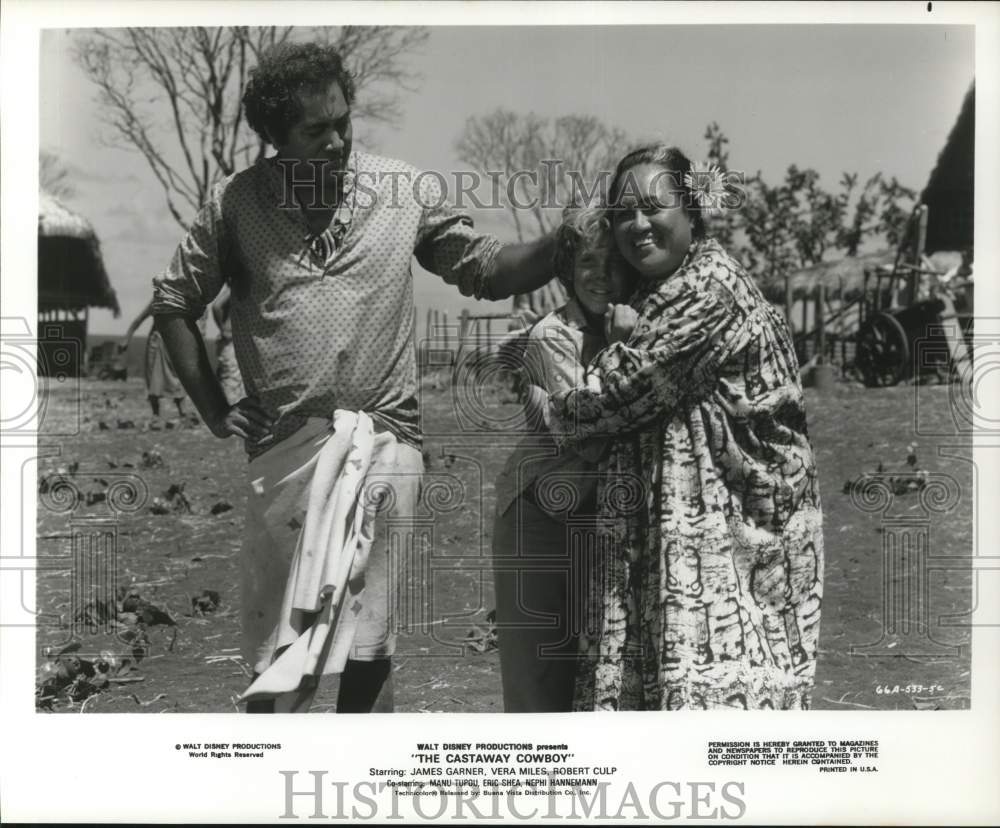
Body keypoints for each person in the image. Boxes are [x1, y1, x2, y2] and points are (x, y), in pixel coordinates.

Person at [150, 42, 557, 713]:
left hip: (386, 441)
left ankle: (364, 781)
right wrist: (217, 411)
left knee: (369, 640)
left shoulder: (401, 191)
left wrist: (556, 247)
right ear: (274, 137)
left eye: (345, 121)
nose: (339, 140)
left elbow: (482, 267)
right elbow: (173, 305)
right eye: (317, 130)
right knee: (283, 650)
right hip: (284, 454)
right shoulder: (236, 204)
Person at [545, 144, 824, 710]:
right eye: (623, 212)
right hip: (675, 521)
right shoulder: (655, 291)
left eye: (653, 207)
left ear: (692, 214)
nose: (637, 225)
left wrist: (602, 359)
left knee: (712, 697)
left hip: (726, 526)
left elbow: (603, 402)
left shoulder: (707, 290)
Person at [492, 207, 631, 712]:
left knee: (588, 678)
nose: (600, 274)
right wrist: (621, 351)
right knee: (539, 682)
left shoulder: (635, 327)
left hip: (595, 519)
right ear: (568, 270)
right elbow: (587, 427)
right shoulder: (554, 336)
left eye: (614, 261)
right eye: (587, 260)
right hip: (539, 518)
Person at [119, 298, 192, 426]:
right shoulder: (158, 300)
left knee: (177, 378)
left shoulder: (181, 298)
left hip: (174, 343)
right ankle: (156, 415)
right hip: (156, 342)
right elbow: (138, 320)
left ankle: (183, 413)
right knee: (153, 379)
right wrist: (127, 338)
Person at [210, 284, 245, 405]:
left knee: (230, 379)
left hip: (233, 341)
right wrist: (224, 329)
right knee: (231, 380)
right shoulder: (234, 287)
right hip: (230, 342)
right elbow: (216, 306)